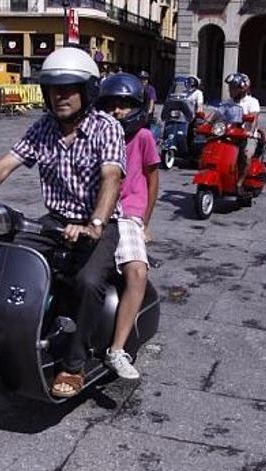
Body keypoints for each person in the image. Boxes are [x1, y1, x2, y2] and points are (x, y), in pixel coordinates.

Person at [0, 47, 125, 398]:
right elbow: (6, 163)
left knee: (88, 282)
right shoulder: (42, 128)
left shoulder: (106, 128)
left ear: (87, 90)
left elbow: (111, 178)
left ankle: (73, 364)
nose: (59, 96)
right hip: (55, 221)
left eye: (68, 88)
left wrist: (95, 223)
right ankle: (8, 333)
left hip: (97, 224)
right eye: (52, 89)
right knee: (8, 262)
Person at [96, 73, 160, 380]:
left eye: (123, 105)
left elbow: (152, 179)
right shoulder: (96, 135)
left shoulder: (144, 137)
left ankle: (117, 350)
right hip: (97, 210)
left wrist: (144, 222)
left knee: (137, 271)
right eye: (110, 106)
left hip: (128, 213)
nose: (116, 112)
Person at [224, 72, 261, 190]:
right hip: (229, 134)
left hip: (246, 137)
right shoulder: (229, 102)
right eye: (230, 88)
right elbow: (218, 113)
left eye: (233, 88)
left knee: (246, 155)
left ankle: (240, 182)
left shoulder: (252, 102)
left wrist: (250, 131)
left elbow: (253, 118)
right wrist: (206, 122)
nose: (230, 90)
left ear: (243, 89)